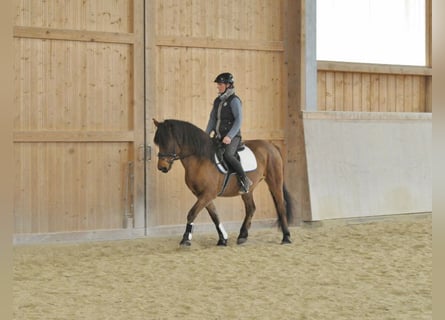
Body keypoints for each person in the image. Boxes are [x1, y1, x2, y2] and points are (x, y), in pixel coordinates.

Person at [205, 72, 252, 193]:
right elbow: (212, 119)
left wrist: (230, 136)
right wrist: (206, 134)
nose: (218, 86)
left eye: (220, 84)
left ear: (228, 85)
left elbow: (239, 120)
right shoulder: (217, 101)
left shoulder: (234, 100)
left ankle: (245, 180)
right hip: (219, 136)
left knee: (228, 155)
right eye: (218, 84)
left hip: (233, 137)